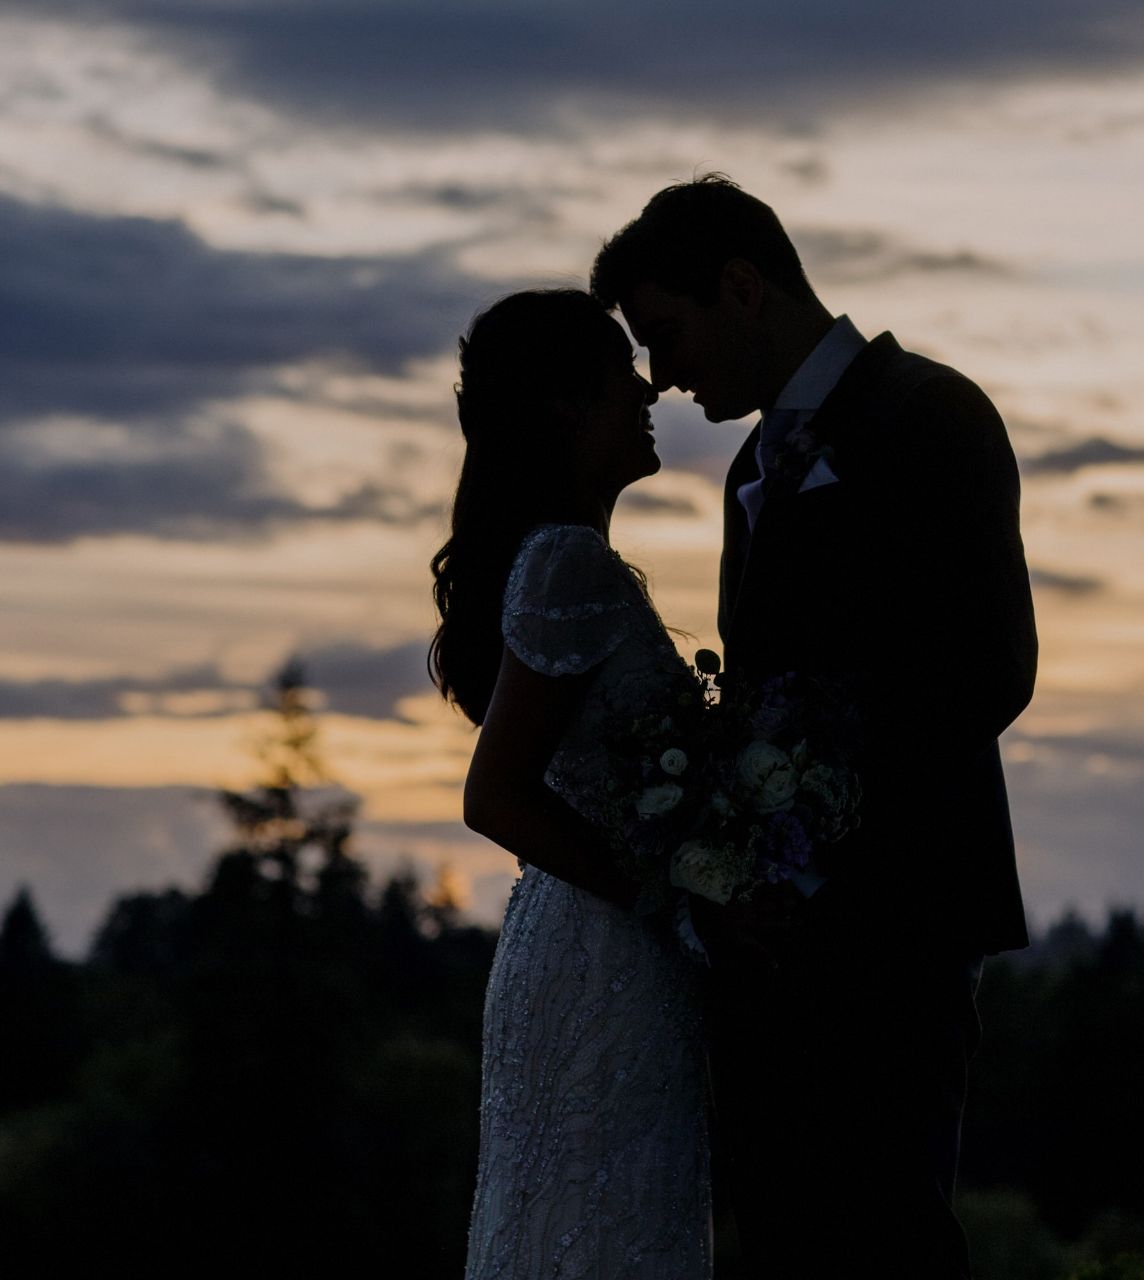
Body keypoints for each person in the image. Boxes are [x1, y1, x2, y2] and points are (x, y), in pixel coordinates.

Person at [592, 175, 1037, 1278]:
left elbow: (993, 670)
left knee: (887, 1232)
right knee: (787, 1234)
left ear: (742, 288)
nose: (665, 374)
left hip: (901, 917)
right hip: (773, 945)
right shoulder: (751, 468)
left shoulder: (932, 412)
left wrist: (812, 797)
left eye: (669, 333)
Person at [432, 289, 711, 1278]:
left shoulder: (560, 561)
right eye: (614, 369)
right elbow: (495, 794)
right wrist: (669, 892)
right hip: (608, 956)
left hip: (574, 938)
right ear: (562, 405)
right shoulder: (567, 563)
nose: (645, 386)